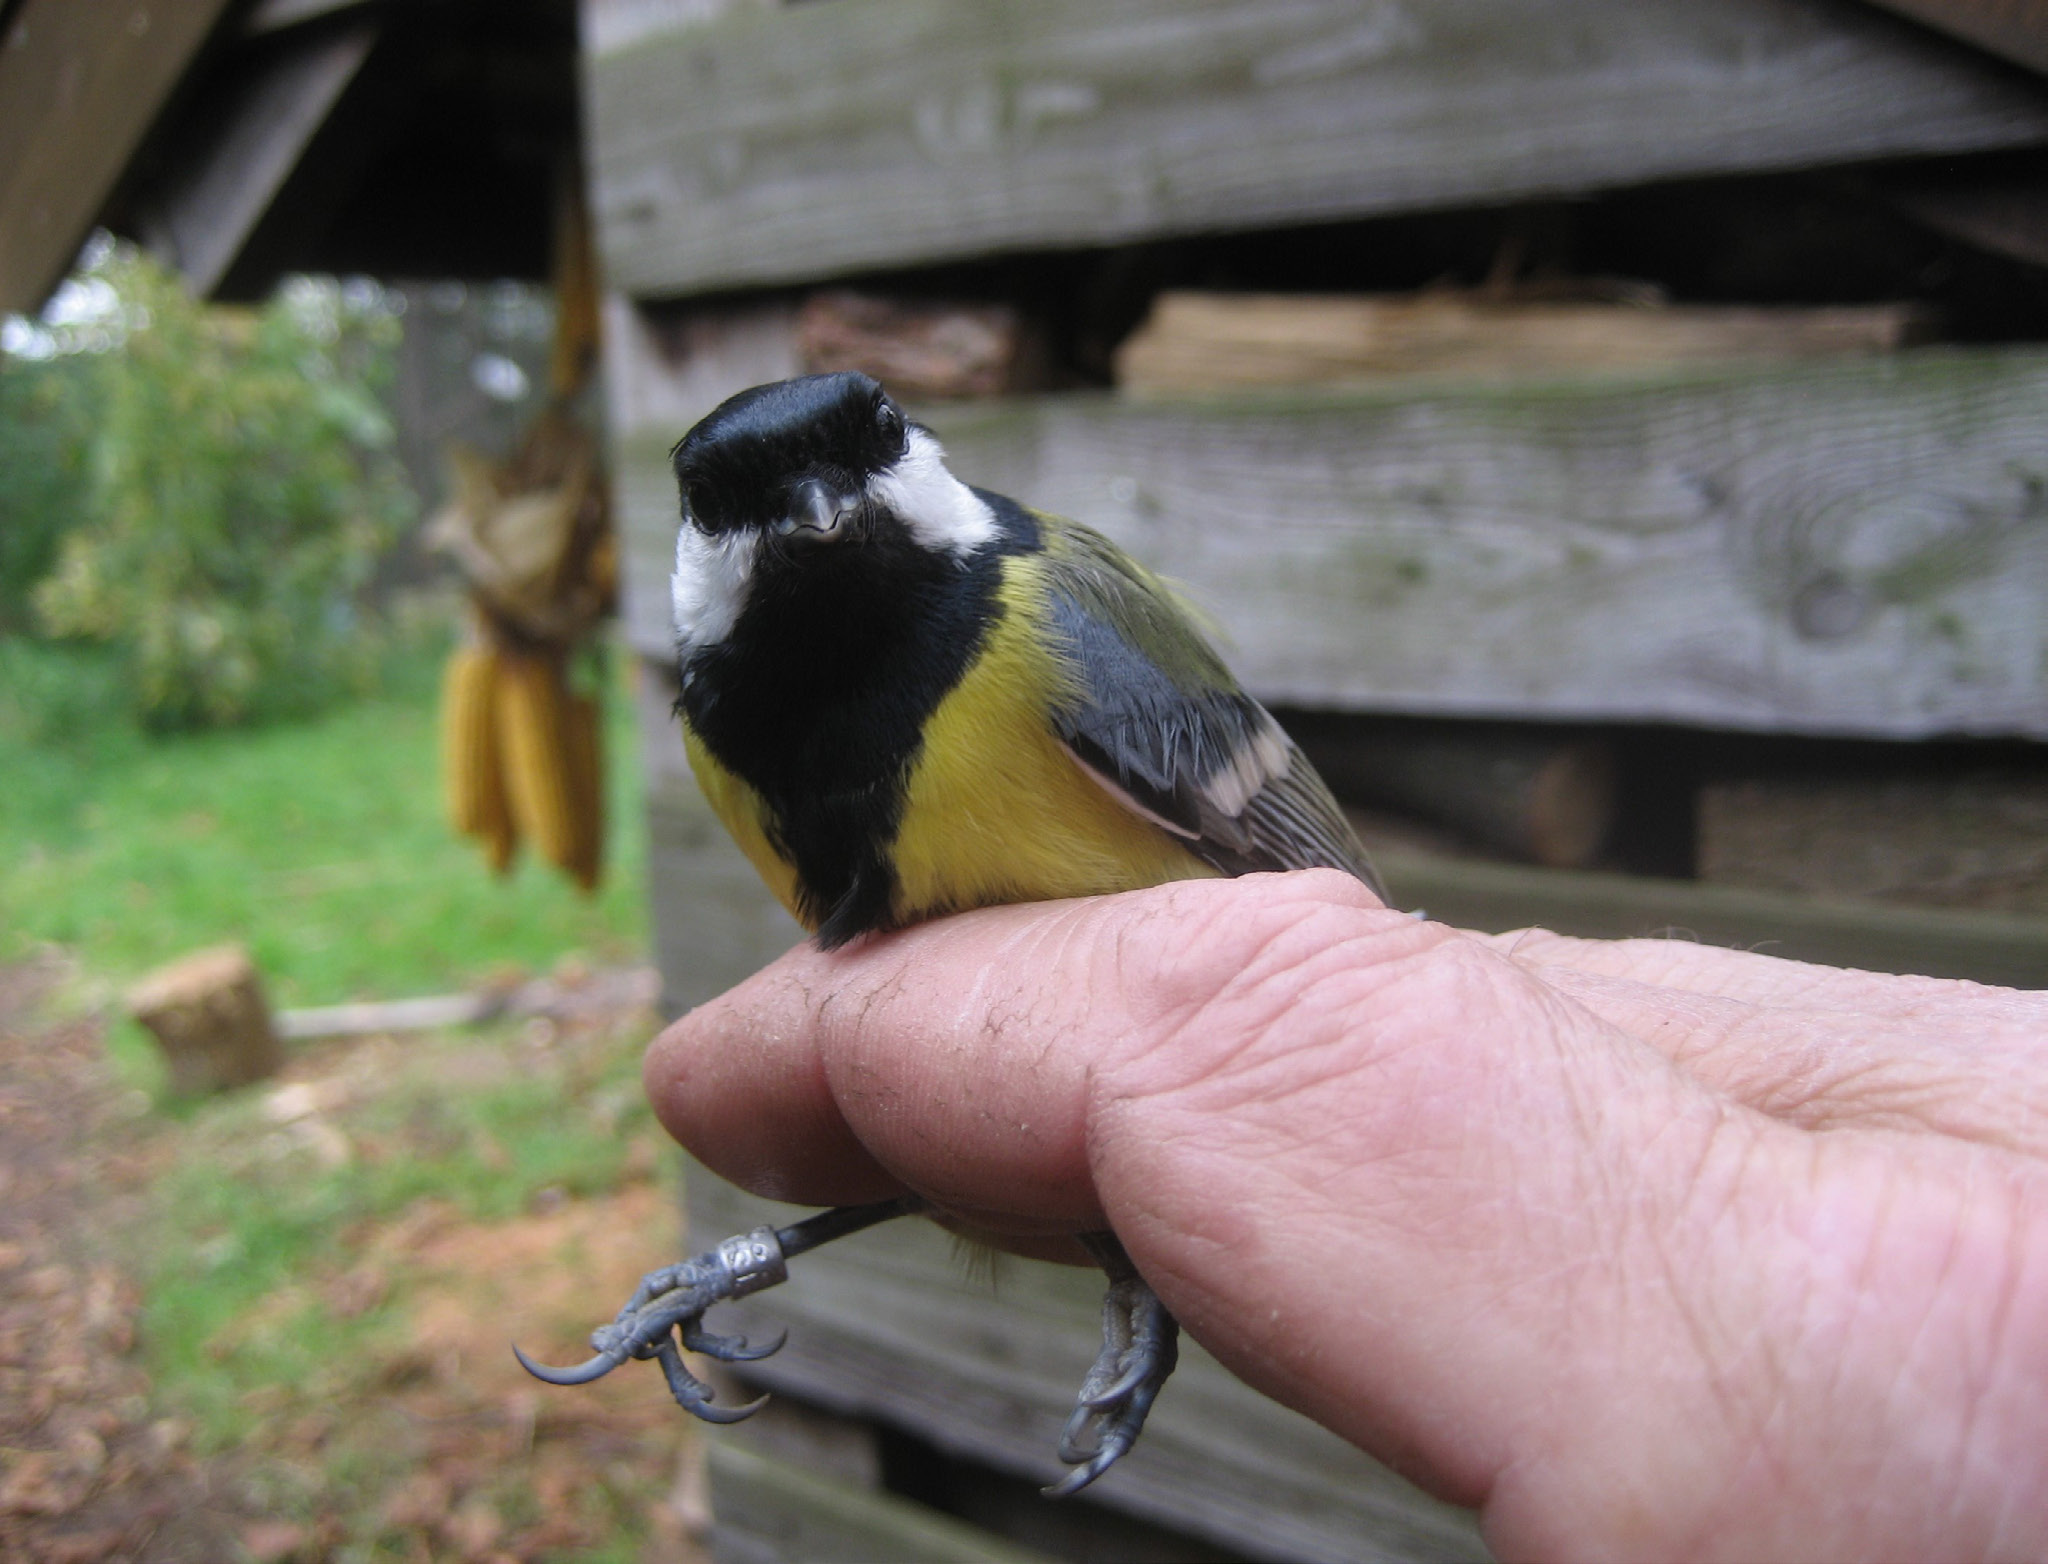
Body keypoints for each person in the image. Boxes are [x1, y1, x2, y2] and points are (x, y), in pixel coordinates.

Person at [643, 868, 2048, 1560]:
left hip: (1140, 1052)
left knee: (1065, 1102)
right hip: (969, 1080)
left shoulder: (1037, 627)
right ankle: (759, 1252)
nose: (820, 527)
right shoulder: (736, 718)